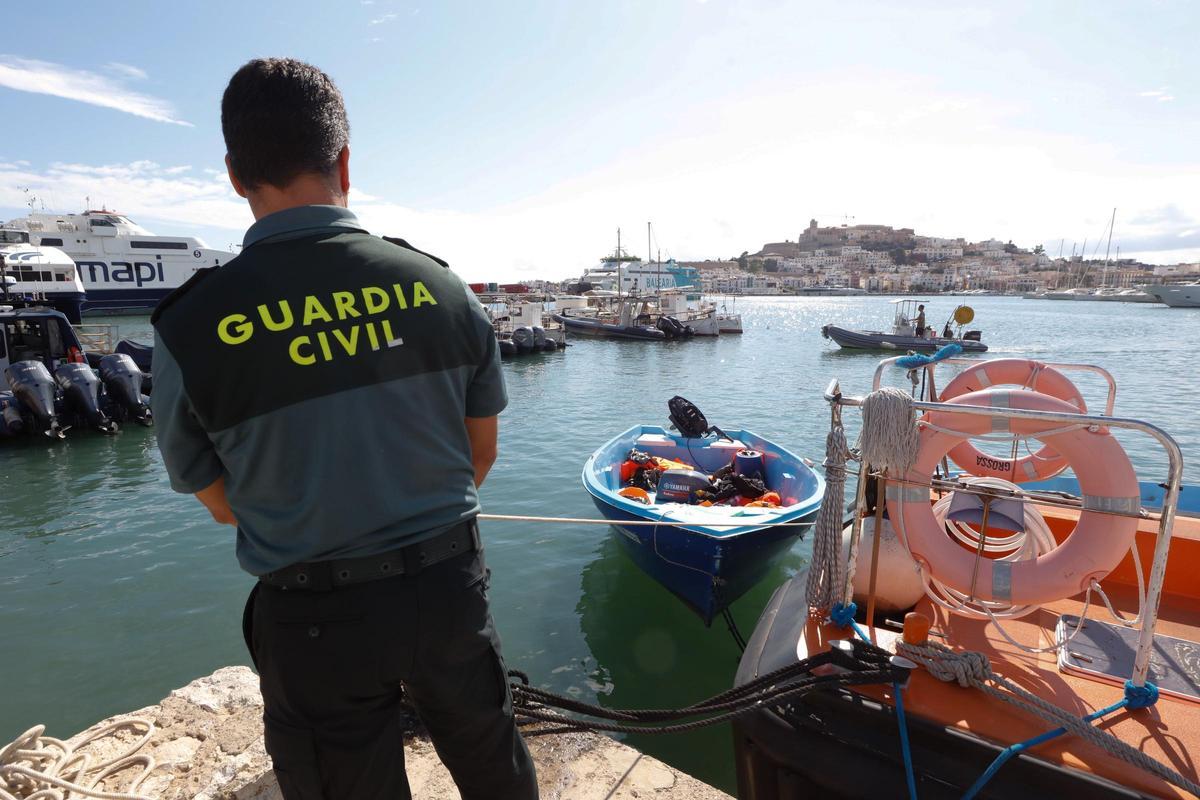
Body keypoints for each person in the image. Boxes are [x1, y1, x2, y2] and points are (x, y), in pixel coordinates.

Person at [151, 58, 537, 800]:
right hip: (446, 590)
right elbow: (477, 456)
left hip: (310, 616)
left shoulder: (190, 324)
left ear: (234, 174)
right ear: (345, 162)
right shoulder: (440, 287)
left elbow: (218, 497)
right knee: (492, 763)